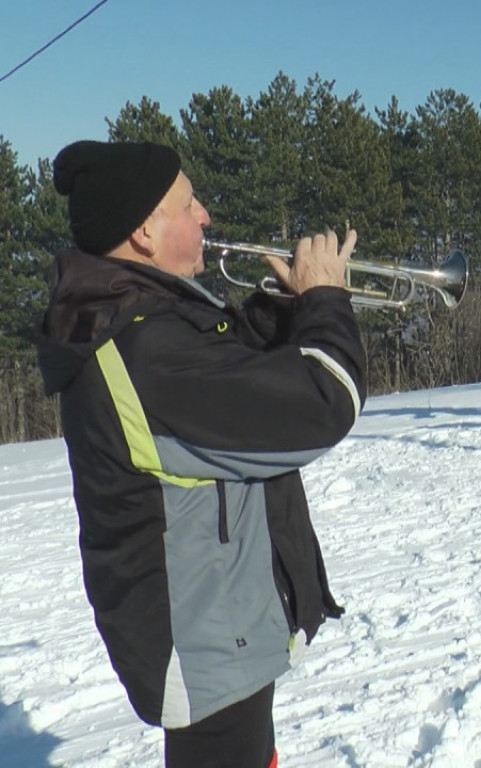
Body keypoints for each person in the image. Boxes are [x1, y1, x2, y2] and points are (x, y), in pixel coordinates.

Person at [33, 140, 365, 768]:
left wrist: (285, 308)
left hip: (219, 631)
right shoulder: (145, 351)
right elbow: (326, 400)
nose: (206, 214)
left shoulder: (148, 320)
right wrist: (325, 300)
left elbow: (231, 370)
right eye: (189, 204)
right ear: (144, 233)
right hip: (203, 646)